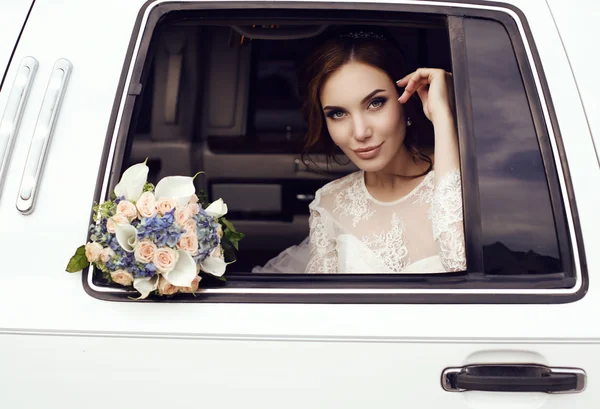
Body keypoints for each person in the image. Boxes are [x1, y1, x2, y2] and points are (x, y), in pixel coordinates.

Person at [253, 27, 466, 274]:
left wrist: (441, 115)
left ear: (406, 102)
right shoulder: (330, 202)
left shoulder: (463, 175)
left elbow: (460, 267)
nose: (360, 132)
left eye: (375, 103)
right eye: (338, 113)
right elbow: (322, 305)